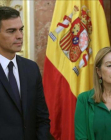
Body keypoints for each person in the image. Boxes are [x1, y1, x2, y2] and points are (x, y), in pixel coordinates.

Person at [0, 6, 50, 140]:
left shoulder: (31, 68)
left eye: (20, 29)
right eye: (11, 31)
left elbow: (42, 118)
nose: (20, 36)